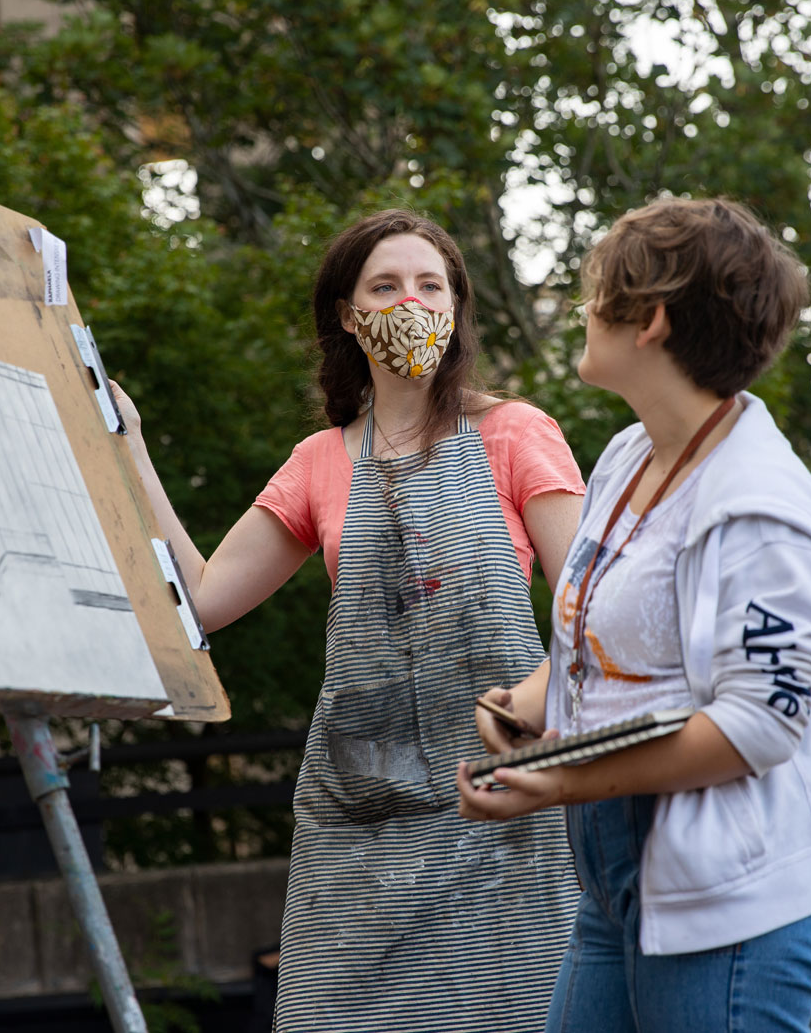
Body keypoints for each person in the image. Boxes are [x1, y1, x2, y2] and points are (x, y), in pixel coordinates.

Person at [110, 209, 584, 1032]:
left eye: (430, 285)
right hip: (356, 833)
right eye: (386, 286)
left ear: (456, 307)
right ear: (347, 312)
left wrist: (532, 720)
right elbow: (206, 597)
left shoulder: (514, 432)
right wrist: (133, 452)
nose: (411, 302)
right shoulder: (318, 460)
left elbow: (591, 611)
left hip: (501, 812)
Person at [456, 197, 811, 1032]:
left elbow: (760, 724)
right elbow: (601, 636)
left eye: (596, 292)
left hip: (732, 907)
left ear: (649, 320)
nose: (582, 311)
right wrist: (530, 702)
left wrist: (558, 781)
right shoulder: (626, 454)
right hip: (614, 875)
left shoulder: (764, 507)